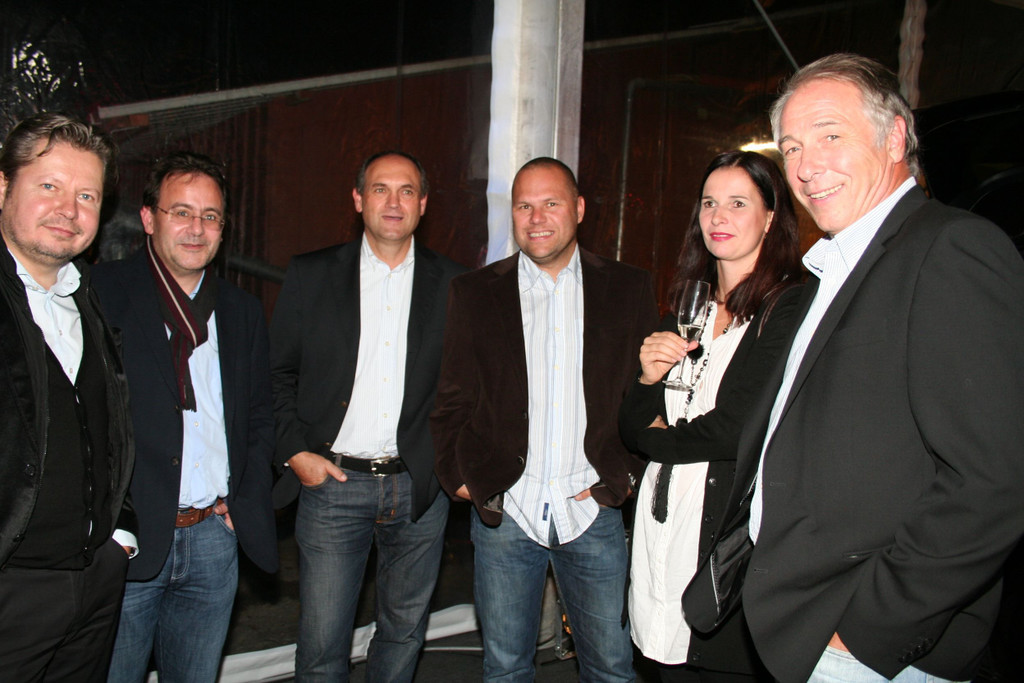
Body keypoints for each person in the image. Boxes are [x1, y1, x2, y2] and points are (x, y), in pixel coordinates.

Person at [687, 53, 1024, 683]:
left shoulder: (950, 248)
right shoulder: (831, 271)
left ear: (894, 137)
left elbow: (993, 483)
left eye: (830, 137)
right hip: (803, 626)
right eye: (792, 147)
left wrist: (866, 632)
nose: (806, 166)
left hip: (870, 648)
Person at [432, 157, 658, 682]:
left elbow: (646, 397)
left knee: (612, 669)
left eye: (551, 203)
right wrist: (461, 479)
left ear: (578, 209)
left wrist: (626, 477)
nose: (536, 218)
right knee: (505, 669)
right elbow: (452, 399)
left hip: (594, 509)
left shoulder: (628, 288)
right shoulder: (475, 292)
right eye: (524, 206)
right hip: (507, 509)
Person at [271, 151, 466, 681]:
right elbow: (276, 373)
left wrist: (449, 467)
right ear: (358, 200)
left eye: (407, 191)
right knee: (322, 645)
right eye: (380, 189)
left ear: (423, 204)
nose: (393, 202)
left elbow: (466, 389)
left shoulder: (456, 284)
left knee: (403, 635)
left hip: (418, 489)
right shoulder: (311, 274)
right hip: (332, 484)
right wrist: (295, 452)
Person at [93, 152, 278, 682]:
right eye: (181, 212)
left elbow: (259, 416)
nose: (196, 228)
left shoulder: (241, 310)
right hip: (128, 544)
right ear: (148, 218)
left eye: (210, 216)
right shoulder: (101, 294)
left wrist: (243, 498)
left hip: (213, 540)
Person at [620, 151, 802, 682]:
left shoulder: (787, 306)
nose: (718, 216)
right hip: (662, 528)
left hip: (723, 536)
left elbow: (736, 429)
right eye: (709, 203)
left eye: (738, 203)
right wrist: (647, 378)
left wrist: (658, 440)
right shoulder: (688, 306)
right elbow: (629, 423)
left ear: (770, 217)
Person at [0, 112, 135, 681]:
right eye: (49, 186)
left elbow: (113, 427)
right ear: (3, 187)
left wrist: (119, 536)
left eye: (86, 196)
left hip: (94, 584)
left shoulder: (87, 298)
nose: (68, 209)